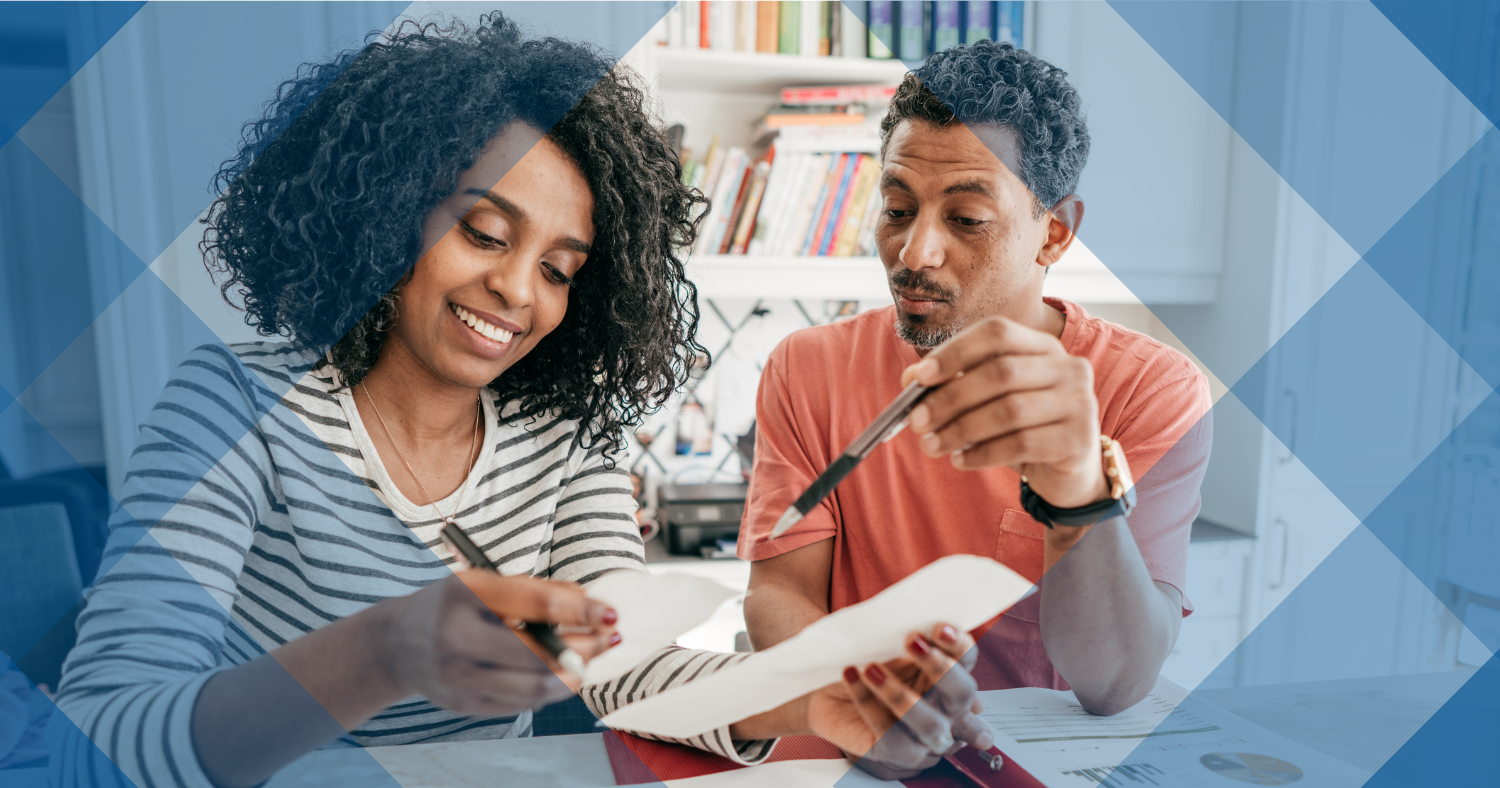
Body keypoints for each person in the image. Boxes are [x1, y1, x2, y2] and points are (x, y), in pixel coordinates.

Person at [50, 16, 988, 788]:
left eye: (558, 269)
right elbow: (98, 736)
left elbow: (635, 674)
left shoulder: (562, 437)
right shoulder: (239, 403)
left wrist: (821, 694)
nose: (518, 292)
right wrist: (384, 650)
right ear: (386, 213)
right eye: (484, 233)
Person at [740, 39, 1214, 772]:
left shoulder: (1152, 389)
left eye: (965, 219)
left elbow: (1115, 682)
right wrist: (851, 685)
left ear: (1054, 232)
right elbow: (778, 594)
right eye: (898, 207)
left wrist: (1076, 480)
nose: (914, 251)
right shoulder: (808, 367)